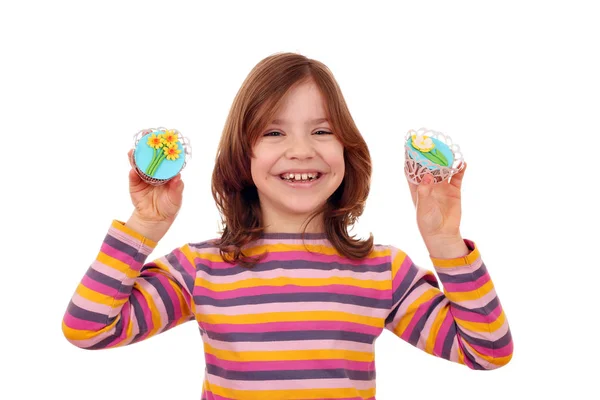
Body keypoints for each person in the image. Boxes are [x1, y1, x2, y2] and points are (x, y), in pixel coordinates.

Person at [62, 52, 513, 400]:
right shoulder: (201, 268)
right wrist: (144, 225)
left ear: (348, 150)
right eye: (274, 132)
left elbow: (487, 351)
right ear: (243, 156)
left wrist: (443, 240)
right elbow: (88, 329)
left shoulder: (382, 271)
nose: (300, 150)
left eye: (321, 131)